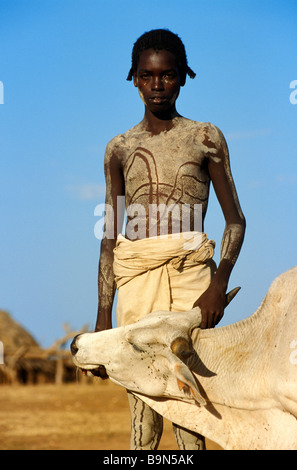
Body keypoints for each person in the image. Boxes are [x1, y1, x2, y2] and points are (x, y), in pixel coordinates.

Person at [94, 29, 246, 450]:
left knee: (189, 408)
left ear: (183, 77)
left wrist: (217, 285)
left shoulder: (205, 137)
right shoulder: (119, 149)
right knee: (144, 414)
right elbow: (109, 235)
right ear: (135, 78)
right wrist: (103, 316)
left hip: (191, 281)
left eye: (168, 75)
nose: (158, 85)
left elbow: (235, 221)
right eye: (148, 75)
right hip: (137, 281)